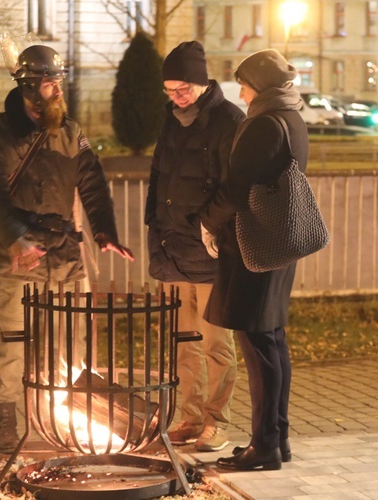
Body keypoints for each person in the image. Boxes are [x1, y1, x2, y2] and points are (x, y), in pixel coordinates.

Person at [0, 44, 134, 453]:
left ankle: (66, 416)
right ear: (28, 88)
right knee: (13, 343)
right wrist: (16, 239)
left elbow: (91, 181)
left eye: (59, 80)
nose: (57, 89)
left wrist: (104, 232)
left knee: (70, 344)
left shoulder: (71, 132)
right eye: (48, 82)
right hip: (17, 258)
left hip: (65, 256)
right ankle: (7, 419)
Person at [198, 49, 307, 471]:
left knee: (259, 347)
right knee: (272, 343)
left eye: (244, 83)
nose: (240, 91)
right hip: (278, 245)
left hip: (254, 248)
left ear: (259, 84)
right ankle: (276, 439)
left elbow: (238, 188)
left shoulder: (263, 123)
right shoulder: (292, 117)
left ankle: (264, 446)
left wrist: (206, 221)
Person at [145, 41, 244, 452]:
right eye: (169, 90)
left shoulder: (228, 121)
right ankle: (189, 416)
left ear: (201, 83)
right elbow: (159, 176)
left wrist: (209, 224)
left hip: (210, 254)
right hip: (173, 251)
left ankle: (216, 422)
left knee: (216, 344)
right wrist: (154, 225)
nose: (176, 97)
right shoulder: (172, 120)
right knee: (183, 343)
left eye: (182, 88)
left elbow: (234, 186)